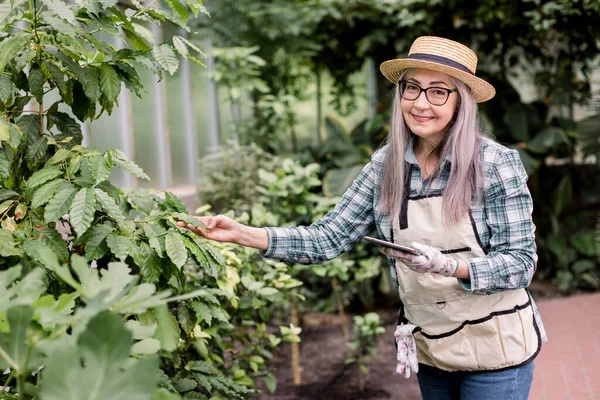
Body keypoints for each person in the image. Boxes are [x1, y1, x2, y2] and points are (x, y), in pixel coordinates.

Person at [179, 36, 547, 400]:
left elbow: (520, 264)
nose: (420, 103)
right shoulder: (385, 167)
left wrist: (451, 267)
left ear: (460, 103)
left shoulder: (494, 164)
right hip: (434, 346)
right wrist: (244, 234)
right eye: (412, 88)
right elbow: (328, 238)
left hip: (497, 347)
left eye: (438, 92)